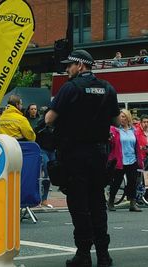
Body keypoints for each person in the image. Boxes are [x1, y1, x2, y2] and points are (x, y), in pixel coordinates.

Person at [45, 50, 120, 267]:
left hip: (75, 154)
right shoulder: (108, 88)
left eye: (69, 65)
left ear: (80, 65)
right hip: (98, 154)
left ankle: (84, 254)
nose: (67, 69)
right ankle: (104, 256)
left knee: (79, 205)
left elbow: (49, 119)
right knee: (98, 203)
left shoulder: (70, 88)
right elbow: (116, 120)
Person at [108, 109, 143, 212]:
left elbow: (136, 145)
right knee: (117, 182)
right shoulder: (115, 130)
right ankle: (111, 201)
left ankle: (133, 203)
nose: (121, 119)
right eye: (120, 117)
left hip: (132, 160)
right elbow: (111, 143)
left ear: (128, 118)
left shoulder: (134, 130)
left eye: (123, 117)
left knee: (132, 182)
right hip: (120, 160)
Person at [35, 108, 56, 208]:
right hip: (42, 149)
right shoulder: (41, 123)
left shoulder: (56, 124)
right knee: (47, 171)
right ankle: (40, 198)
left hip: (52, 150)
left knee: (51, 174)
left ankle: (44, 199)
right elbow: (36, 133)